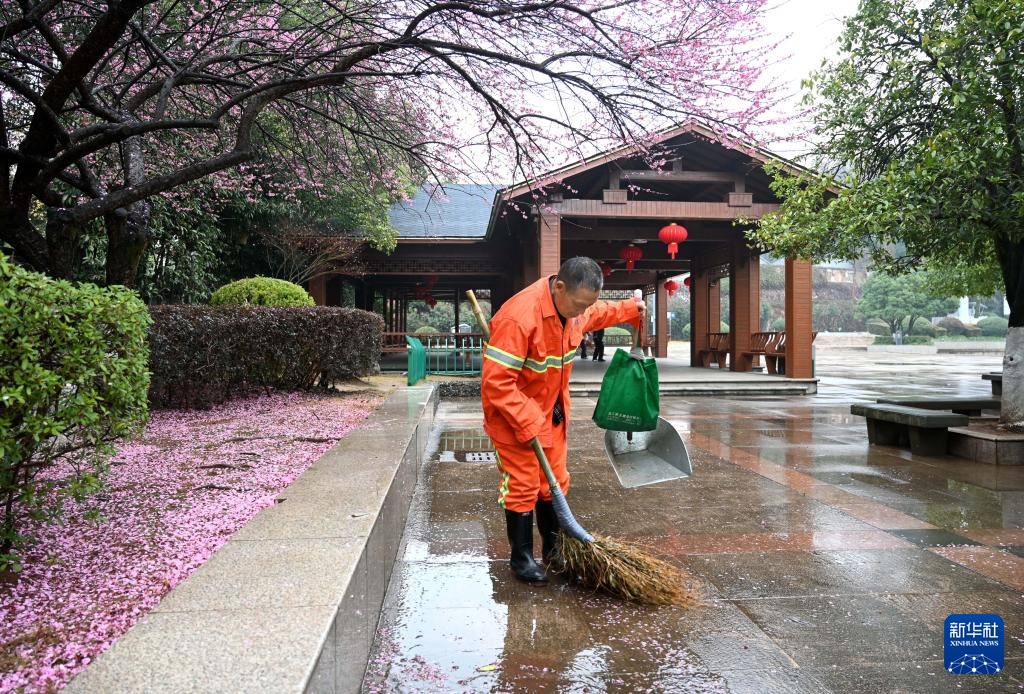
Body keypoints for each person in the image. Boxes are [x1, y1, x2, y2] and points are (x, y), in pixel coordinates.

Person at [480, 257, 644, 585]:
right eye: (579, 304)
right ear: (559, 288)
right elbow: (497, 383)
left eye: (588, 305)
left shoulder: (575, 308)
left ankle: (553, 550)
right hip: (514, 417)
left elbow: (599, 313)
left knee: (554, 481)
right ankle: (521, 557)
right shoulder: (519, 318)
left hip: (552, 414)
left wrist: (631, 308)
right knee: (524, 484)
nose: (582, 311)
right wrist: (529, 424)